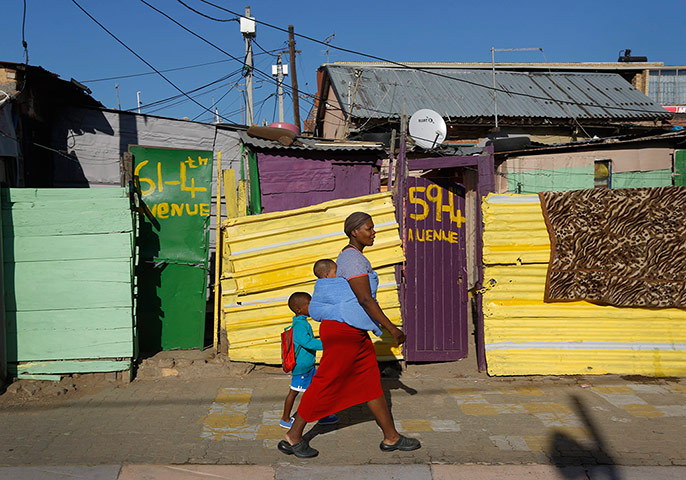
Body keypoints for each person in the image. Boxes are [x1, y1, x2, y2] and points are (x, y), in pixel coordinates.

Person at [278, 212, 420, 458]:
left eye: (373, 228)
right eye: (369, 228)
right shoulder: (353, 259)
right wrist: (391, 328)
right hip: (344, 332)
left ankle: (391, 437)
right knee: (326, 381)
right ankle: (293, 436)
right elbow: (365, 299)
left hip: (353, 332)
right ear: (355, 232)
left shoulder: (352, 257)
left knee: (370, 381)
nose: (373, 232)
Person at [280, 292, 339, 429]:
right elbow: (307, 342)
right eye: (309, 305)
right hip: (301, 368)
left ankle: (322, 416)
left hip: (308, 367)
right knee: (294, 392)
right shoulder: (300, 326)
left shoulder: (303, 323)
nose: (312, 307)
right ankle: (285, 418)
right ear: (299, 309)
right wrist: (326, 344)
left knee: (318, 390)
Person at [309, 259, 383, 337]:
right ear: (326, 275)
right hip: (343, 330)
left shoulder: (332, 283)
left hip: (331, 330)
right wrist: (371, 277)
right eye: (335, 272)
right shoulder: (327, 286)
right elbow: (315, 308)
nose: (338, 274)